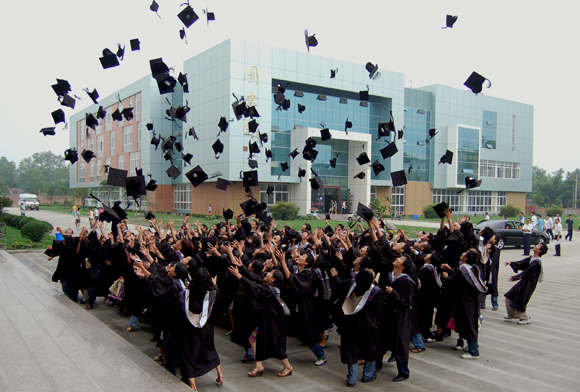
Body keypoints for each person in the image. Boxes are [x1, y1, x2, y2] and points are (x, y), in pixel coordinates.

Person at [334, 268, 385, 387]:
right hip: (369, 325)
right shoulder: (376, 291)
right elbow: (380, 310)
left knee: (352, 350)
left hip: (350, 324)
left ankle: (351, 379)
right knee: (371, 349)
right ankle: (367, 375)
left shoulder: (351, 287)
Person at [504, 243, 548, 325]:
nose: (536, 246)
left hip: (528, 285)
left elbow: (526, 272)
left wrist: (515, 277)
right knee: (509, 296)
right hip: (523, 282)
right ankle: (512, 314)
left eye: (538, 246)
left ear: (540, 250)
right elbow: (522, 263)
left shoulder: (537, 263)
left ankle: (524, 318)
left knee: (520, 300)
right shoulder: (532, 258)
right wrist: (511, 263)